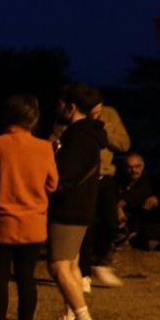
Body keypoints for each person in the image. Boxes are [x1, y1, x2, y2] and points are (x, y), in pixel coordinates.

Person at [0, 94, 57, 320]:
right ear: (33, 118)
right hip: (32, 223)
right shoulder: (44, 147)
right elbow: (53, 183)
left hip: (1, 221)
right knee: (26, 277)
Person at [46, 85, 108, 320]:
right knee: (70, 265)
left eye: (60, 104)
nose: (57, 108)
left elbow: (63, 175)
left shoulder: (78, 138)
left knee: (58, 266)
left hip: (69, 209)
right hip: (82, 208)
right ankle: (70, 319)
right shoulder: (90, 136)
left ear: (71, 107)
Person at [53, 101, 130, 288]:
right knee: (84, 226)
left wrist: (104, 133)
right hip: (83, 179)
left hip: (105, 176)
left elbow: (124, 143)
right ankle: (83, 272)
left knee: (110, 223)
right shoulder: (69, 124)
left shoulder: (110, 115)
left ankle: (100, 262)